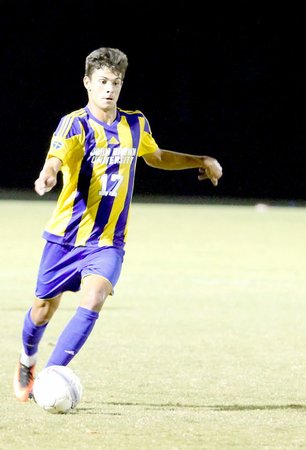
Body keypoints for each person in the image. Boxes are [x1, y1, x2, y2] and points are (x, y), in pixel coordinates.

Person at [13, 47, 223, 403]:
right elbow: (55, 157)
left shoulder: (135, 123)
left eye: (116, 82)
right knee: (42, 310)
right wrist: (47, 176)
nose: (109, 89)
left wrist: (200, 160)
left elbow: (155, 156)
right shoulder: (74, 123)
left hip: (108, 241)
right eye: (102, 82)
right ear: (87, 83)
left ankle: (50, 376)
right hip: (64, 239)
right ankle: (27, 360)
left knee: (95, 296)